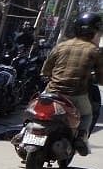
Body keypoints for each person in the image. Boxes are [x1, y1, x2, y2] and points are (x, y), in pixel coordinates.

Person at [41, 12, 103, 155]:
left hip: (52, 91)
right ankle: (81, 137)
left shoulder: (61, 46)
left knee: (37, 104)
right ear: (94, 32)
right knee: (88, 114)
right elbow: (101, 77)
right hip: (76, 94)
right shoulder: (94, 51)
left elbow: (46, 69)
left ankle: (24, 130)